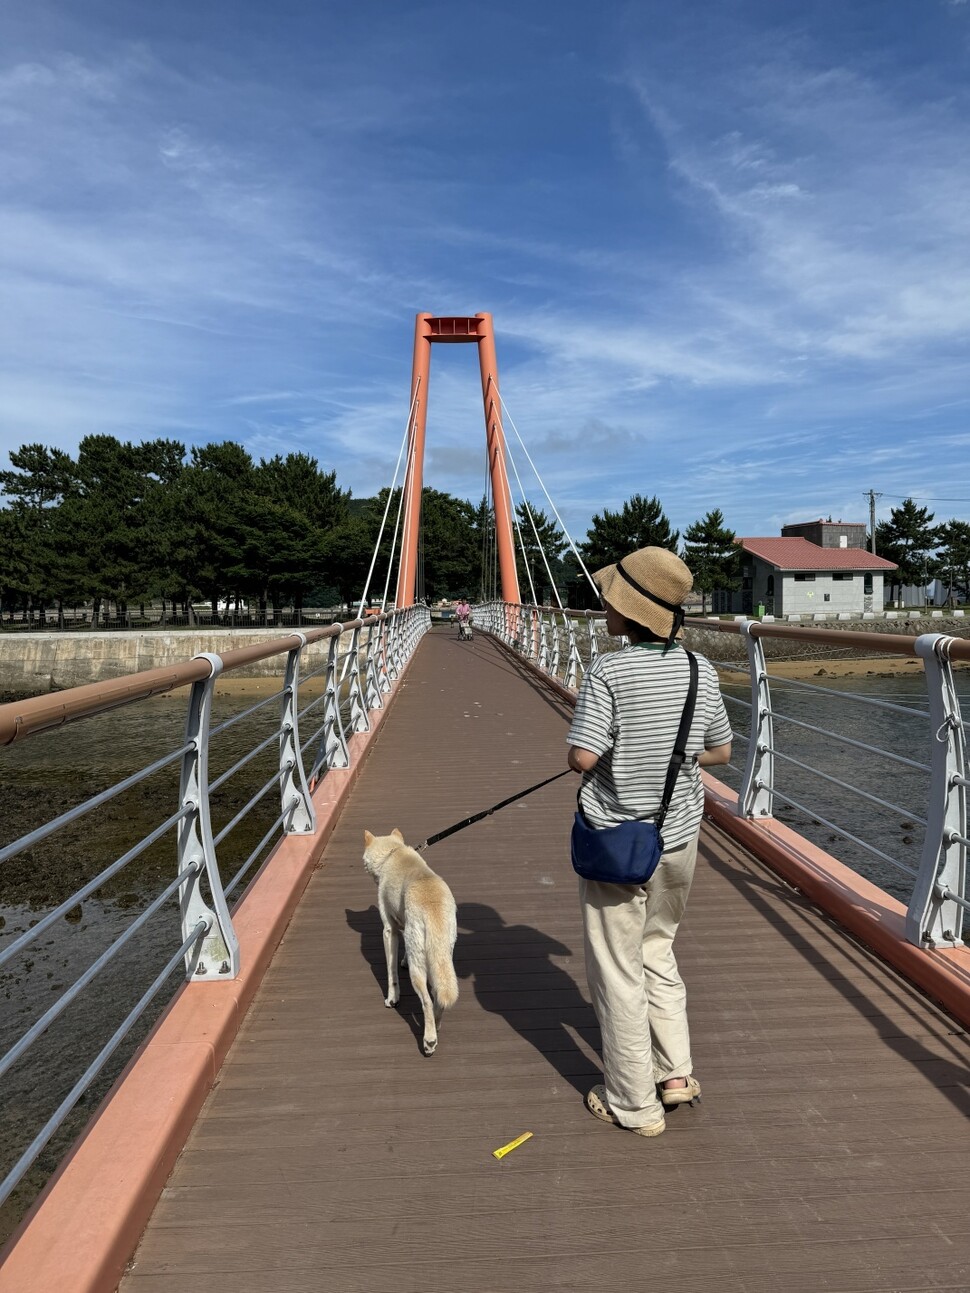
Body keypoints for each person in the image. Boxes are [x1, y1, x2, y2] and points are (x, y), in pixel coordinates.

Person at [566, 546, 732, 1138]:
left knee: (617, 970)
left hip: (618, 841)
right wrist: (672, 751)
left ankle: (634, 1105)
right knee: (658, 949)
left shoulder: (609, 671)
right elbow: (720, 751)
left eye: (611, 596)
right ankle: (676, 1075)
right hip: (681, 835)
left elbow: (582, 756)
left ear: (627, 609)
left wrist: (612, 750)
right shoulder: (698, 670)